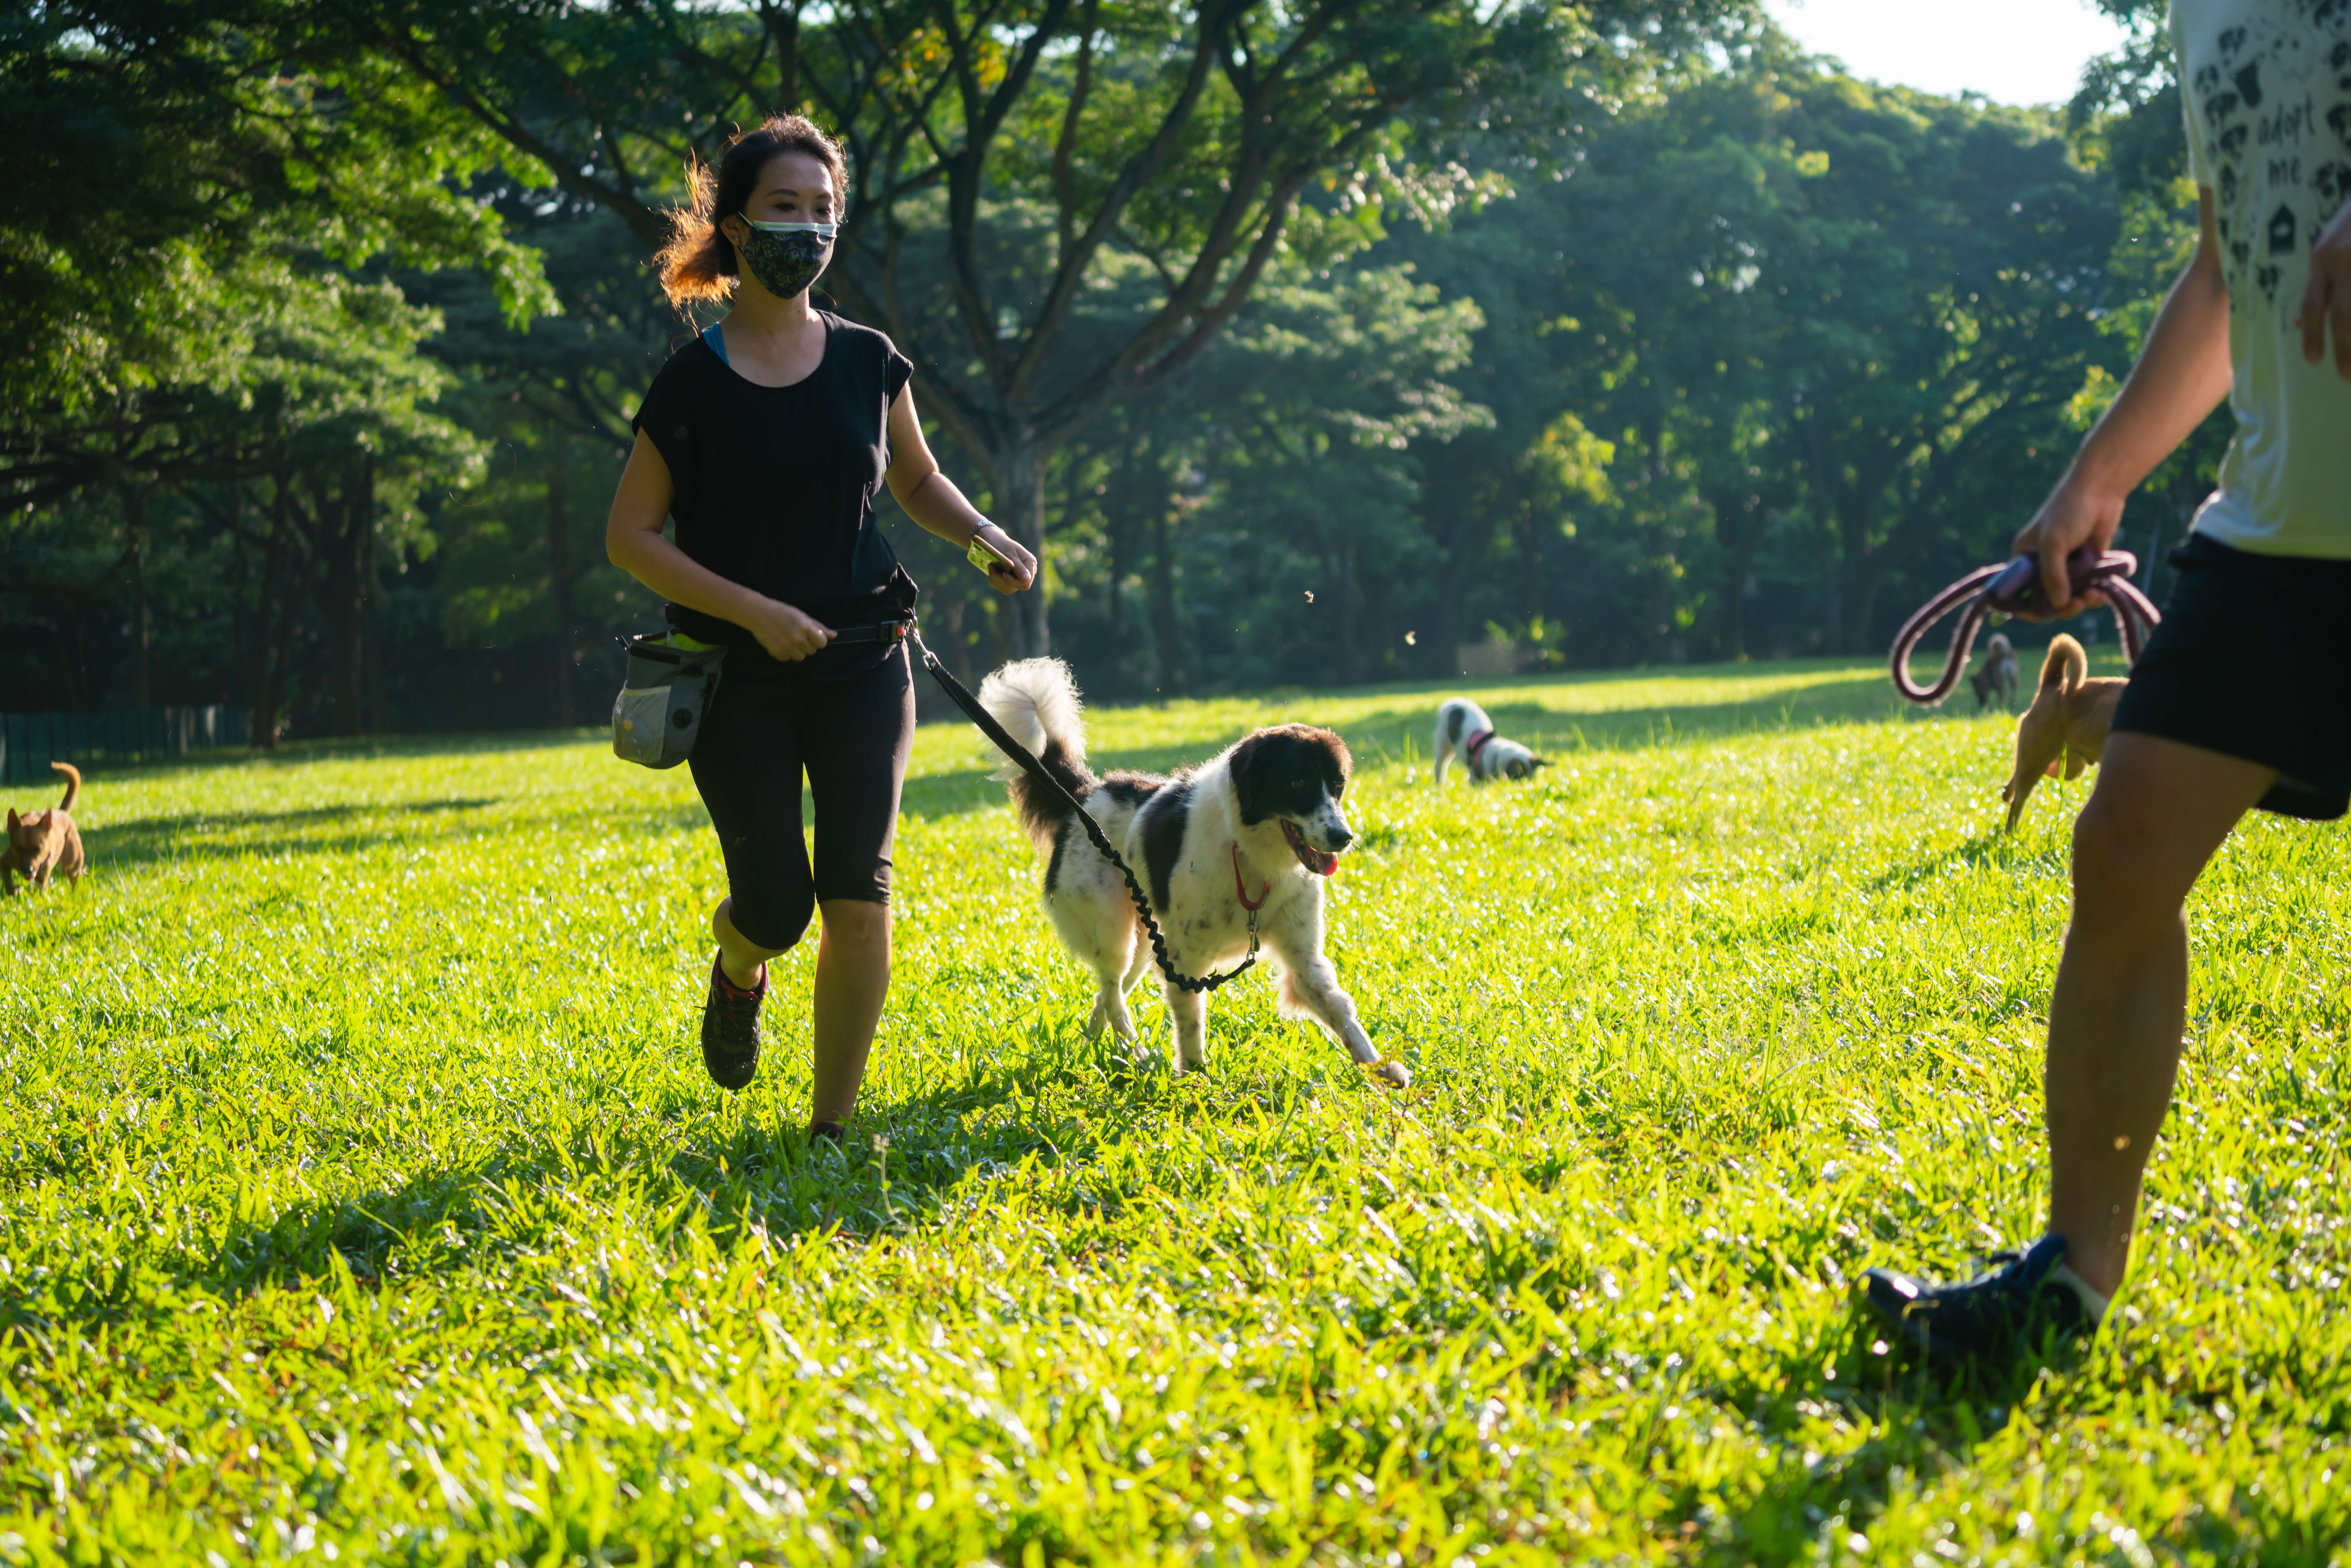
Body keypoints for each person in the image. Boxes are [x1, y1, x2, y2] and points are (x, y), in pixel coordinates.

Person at [1862, 0, 2351, 1362]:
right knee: (2121, 844)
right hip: (2278, 523)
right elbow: (2223, 266)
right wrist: (2098, 476)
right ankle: (2071, 1277)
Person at [605, 115, 1036, 1143]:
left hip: (863, 662)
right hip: (735, 677)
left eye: (824, 210)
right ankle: (739, 967)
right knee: (777, 906)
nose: (808, 228)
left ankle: (831, 1130)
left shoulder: (868, 361)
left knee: (859, 890)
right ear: (737, 226)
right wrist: (754, 610)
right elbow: (630, 536)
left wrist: (985, 539)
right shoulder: (690, 385)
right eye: (785, 208)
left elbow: (921, 481)